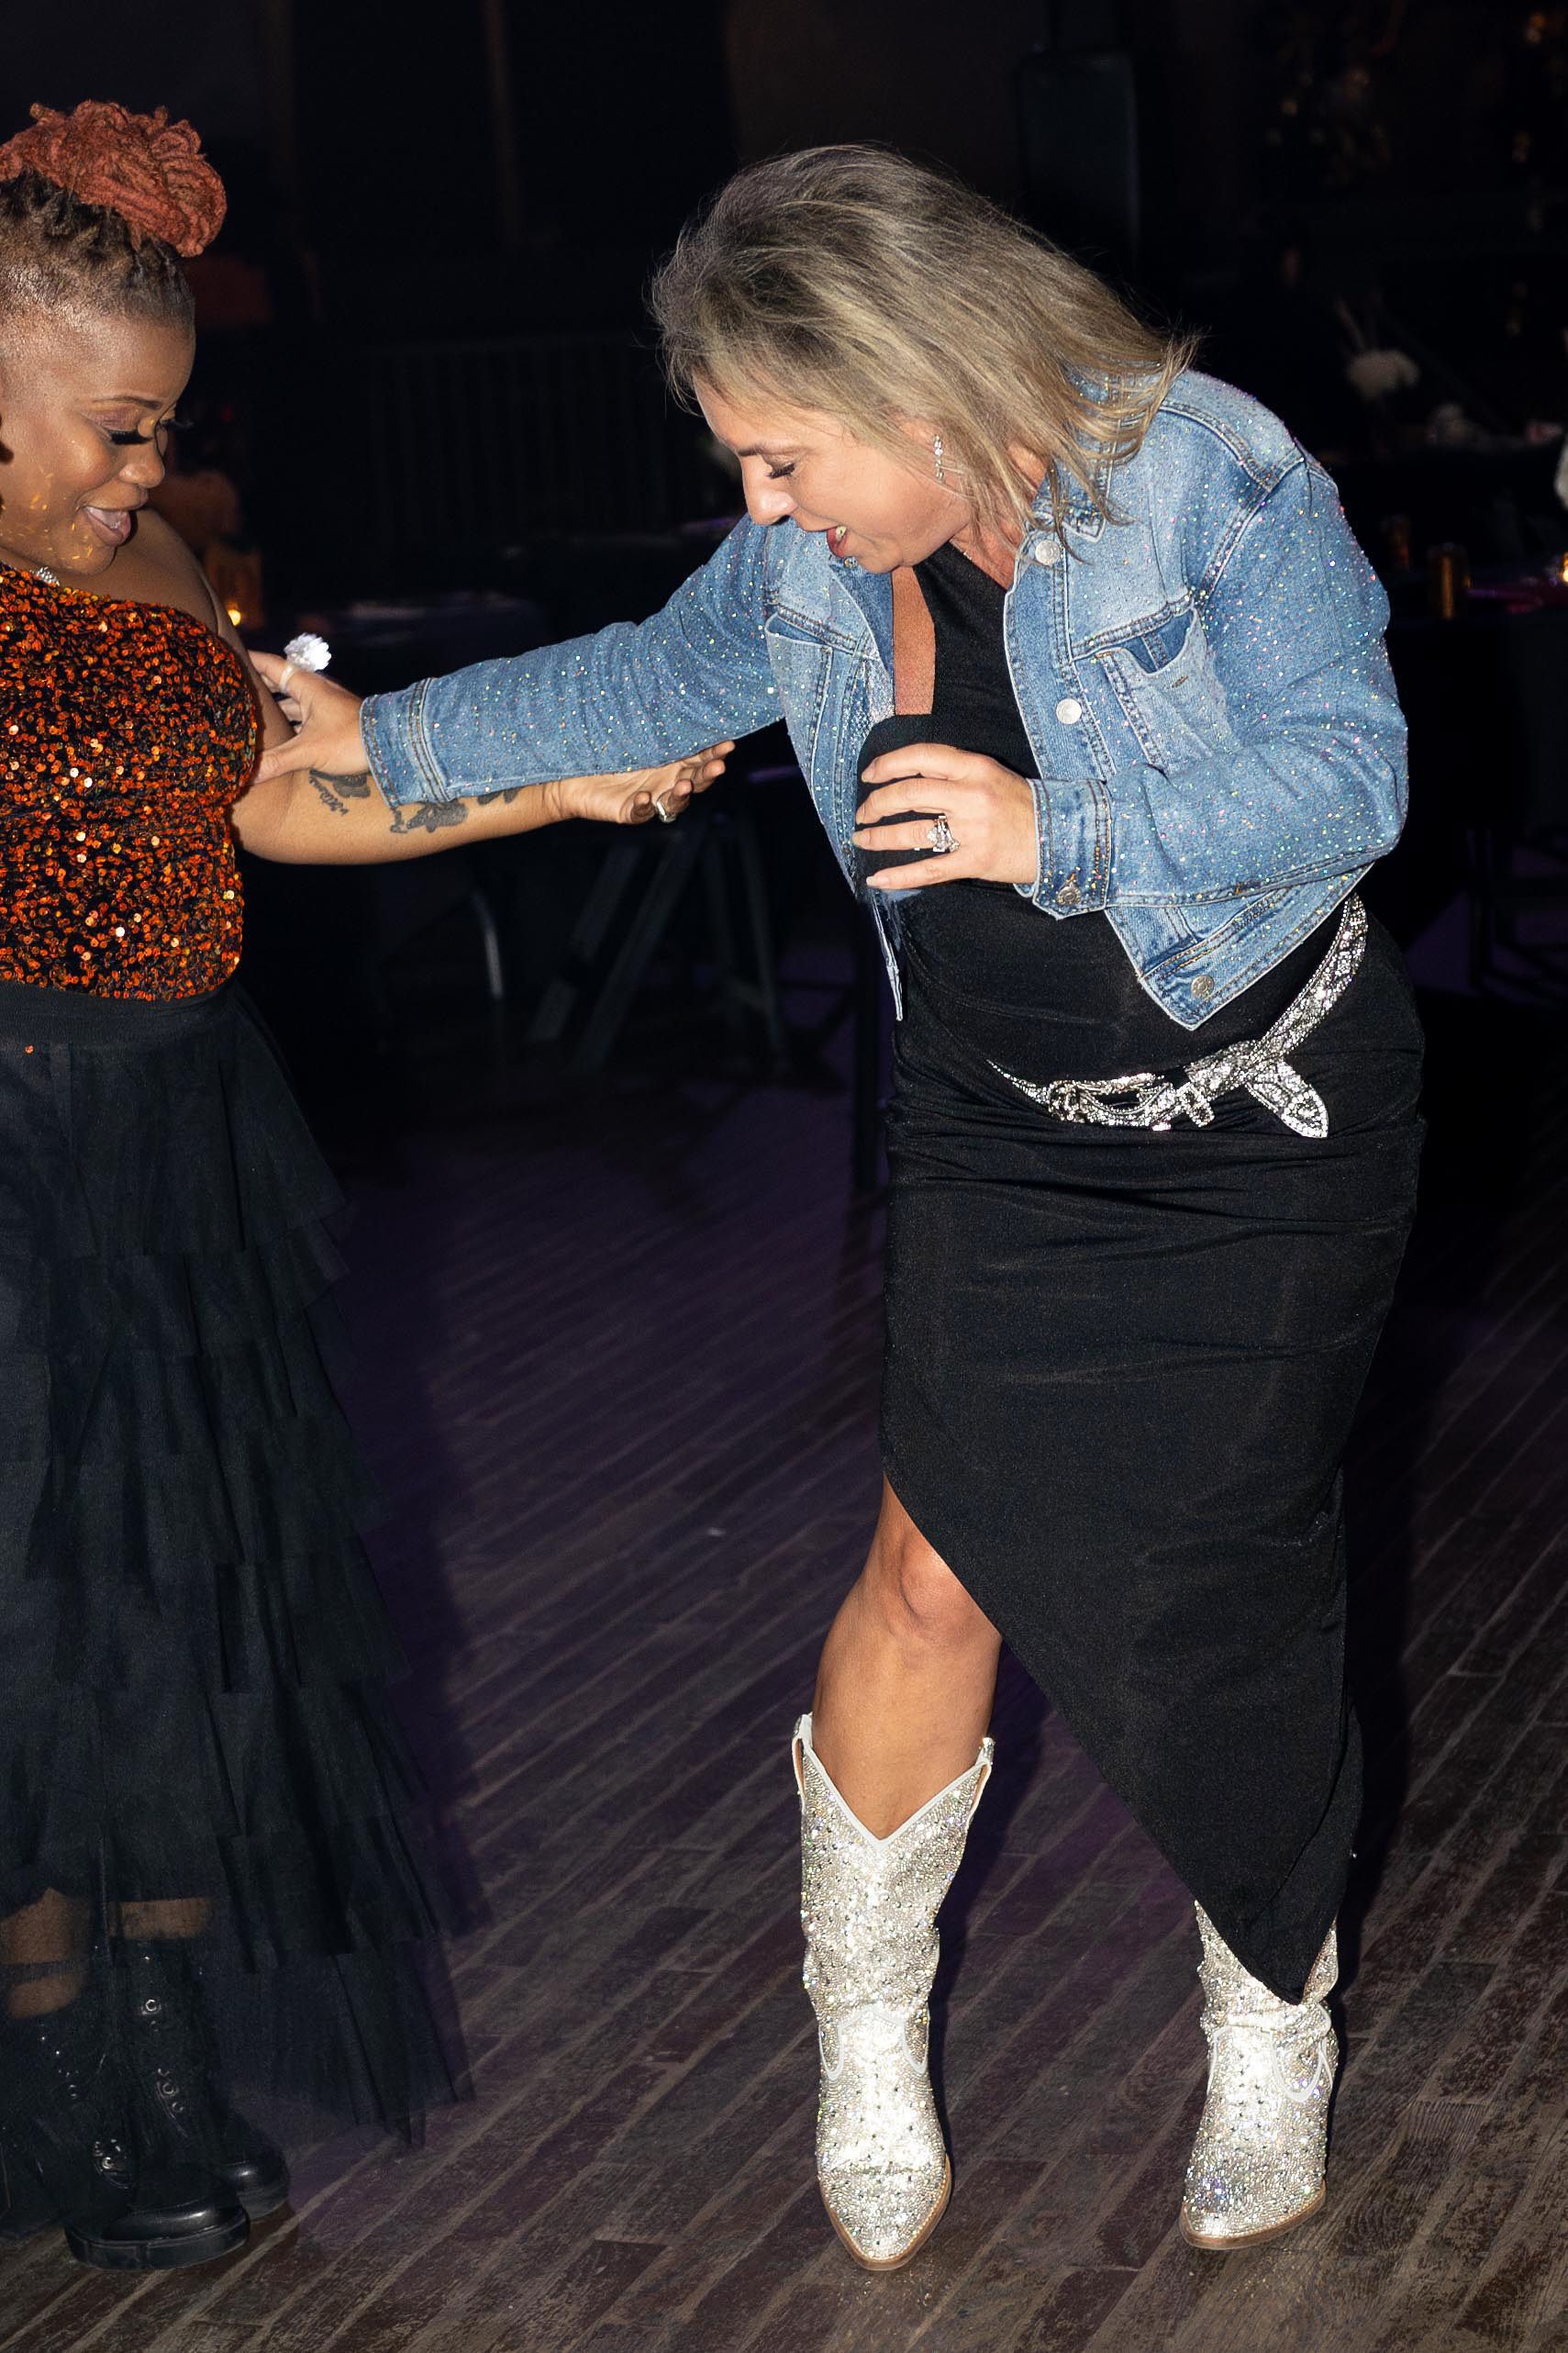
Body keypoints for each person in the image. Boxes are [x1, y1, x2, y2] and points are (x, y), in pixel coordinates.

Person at [265, 146, 1424, 2269]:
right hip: (998, 1124)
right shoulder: (802, 569)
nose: (764, 506)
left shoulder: (1209, 475)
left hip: (1262, 1127)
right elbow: (625, 685)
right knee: (926, 1571)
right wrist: (378, 743)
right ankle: (866, 2040)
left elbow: (1355, 776)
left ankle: (1272, 2024)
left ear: (917, 387)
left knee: (1223, 1593)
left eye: (786, 457)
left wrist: (1056, 826)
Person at [0, 99, 727, 2275]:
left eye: (168, 425)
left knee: (187, 1606)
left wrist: (552, 785)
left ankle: (157, 2035)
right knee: (32, 1619)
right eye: (119, 427)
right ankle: (48, 2062)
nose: (153, 465)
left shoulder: (158, 567)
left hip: (175, 1146)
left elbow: (289, 803)